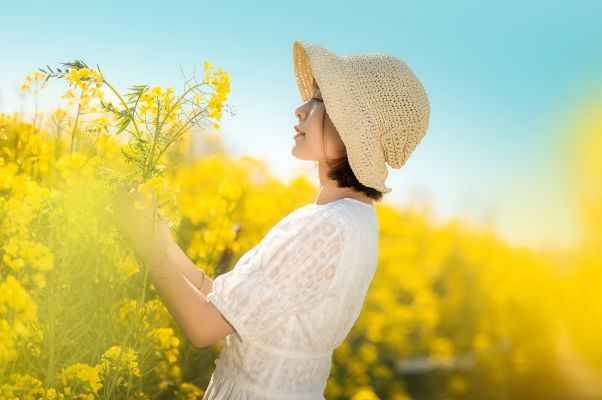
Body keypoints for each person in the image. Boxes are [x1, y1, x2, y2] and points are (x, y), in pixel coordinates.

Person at [111, 39, 430, 399]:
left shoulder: (327, 228)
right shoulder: (354, 220)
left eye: (319, 101)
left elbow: (204, 326)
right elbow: (229, 304)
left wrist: (146, 245)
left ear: (352, 130)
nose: (300, 109)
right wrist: (164, 242)